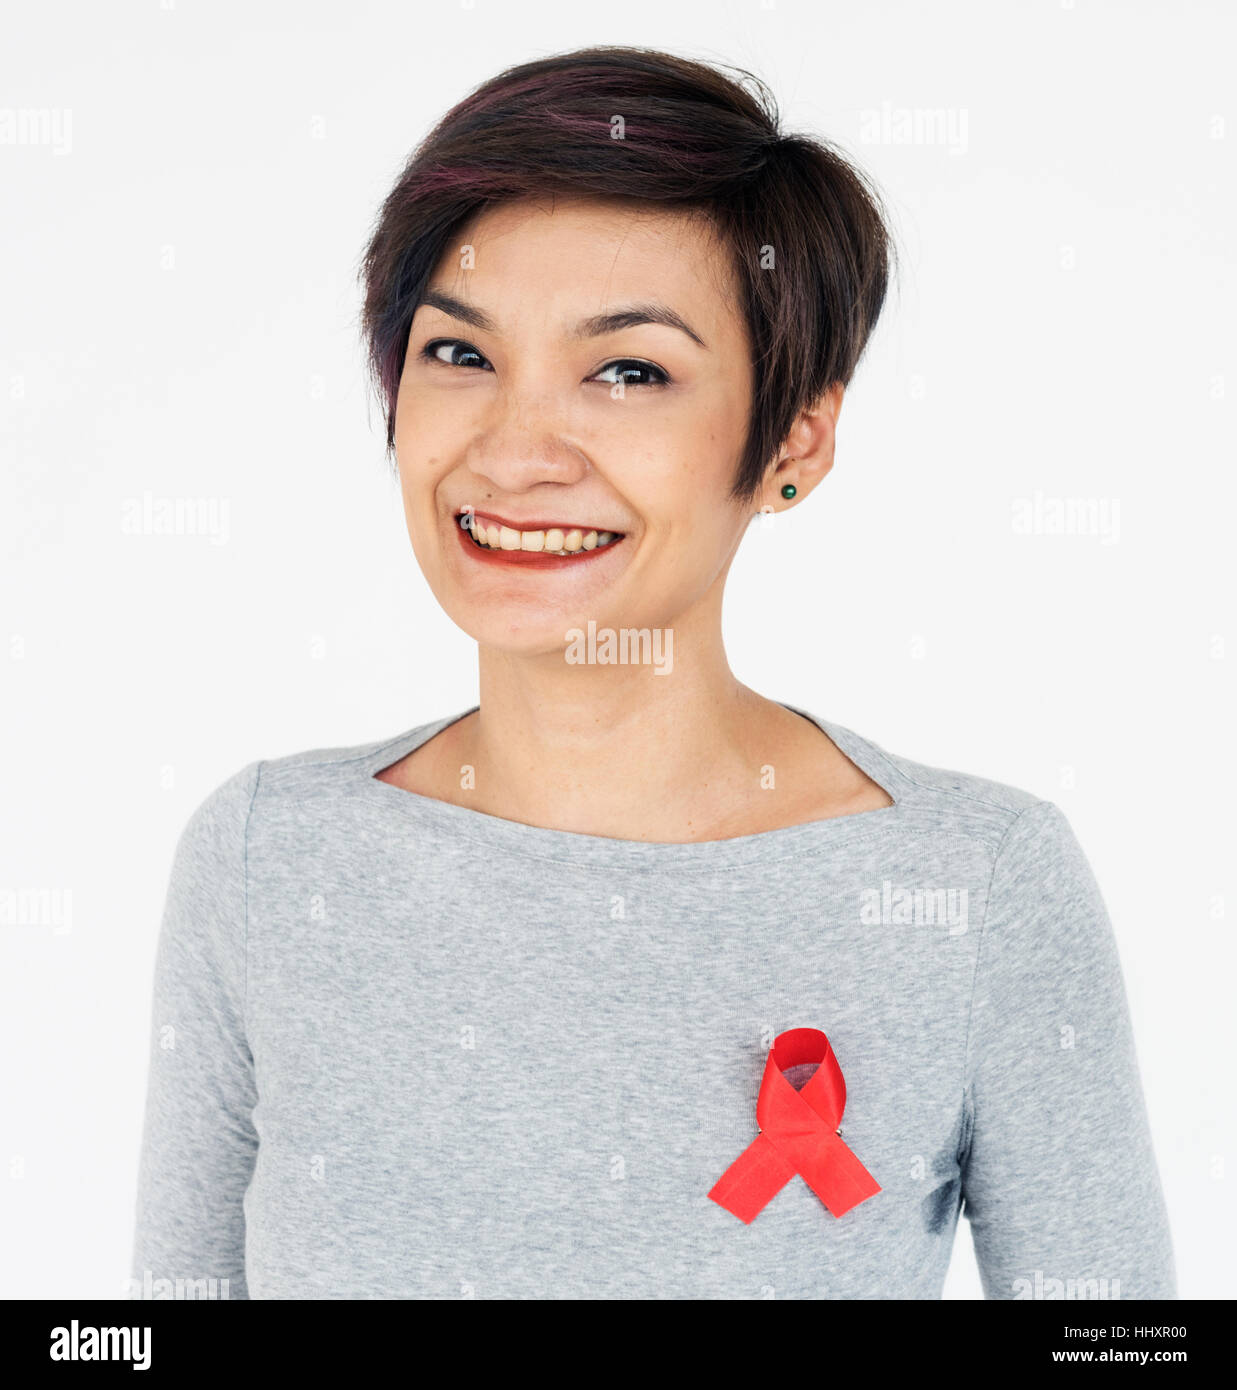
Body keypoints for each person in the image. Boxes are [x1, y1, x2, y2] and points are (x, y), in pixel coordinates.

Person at [130, 45, 1175, 1299]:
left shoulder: (978, 886)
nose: (514, 453)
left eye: (628, 371)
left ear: (796, 436)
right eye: (459, 355)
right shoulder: (265, 859)